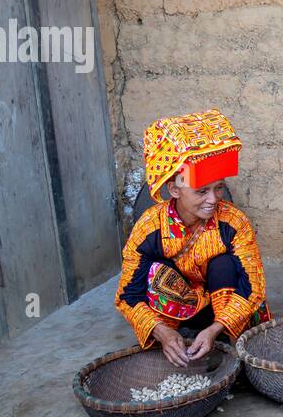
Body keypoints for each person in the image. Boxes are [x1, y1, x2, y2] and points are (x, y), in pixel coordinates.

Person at [116, 109, 270, 368]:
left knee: (223, 265)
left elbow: (253, 289)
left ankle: (225, 341)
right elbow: (128, 296)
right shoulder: (150, 228)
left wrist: (214, 329)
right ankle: (174, 342)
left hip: (223, 312)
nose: (213, 199)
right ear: (174, 189)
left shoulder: (233, 222)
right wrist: (160, 331)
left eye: (218, 187)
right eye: (202, 191)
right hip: (177, 313)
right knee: (155, 274)